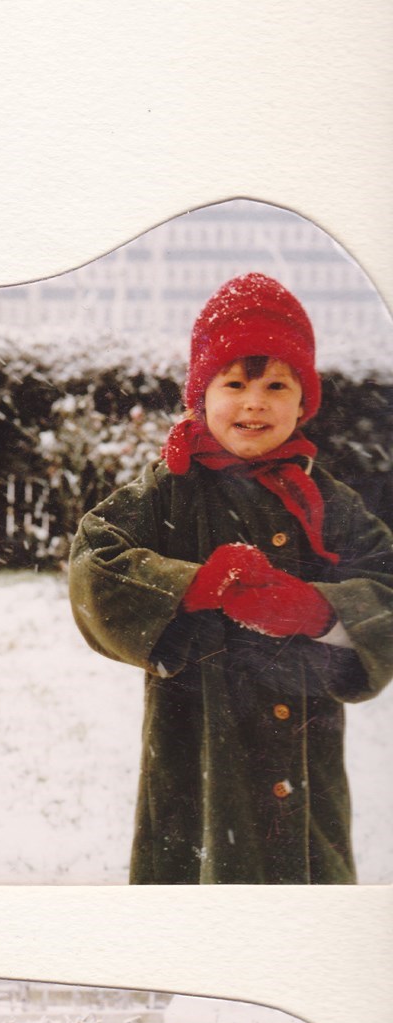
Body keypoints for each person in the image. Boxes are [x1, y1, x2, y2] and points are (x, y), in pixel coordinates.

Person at [69, 274, 393, 883]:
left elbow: (386, 582)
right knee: (199, 890)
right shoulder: (169, 488)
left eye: (277, 385)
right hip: (195, 752)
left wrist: (322, 612)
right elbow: (93, 560)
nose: (254, 403)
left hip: (305, 758)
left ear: (304, 401)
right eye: (234, 383)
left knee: (305, 905)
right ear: (201, 394)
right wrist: (186, 586)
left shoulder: (327, 499)